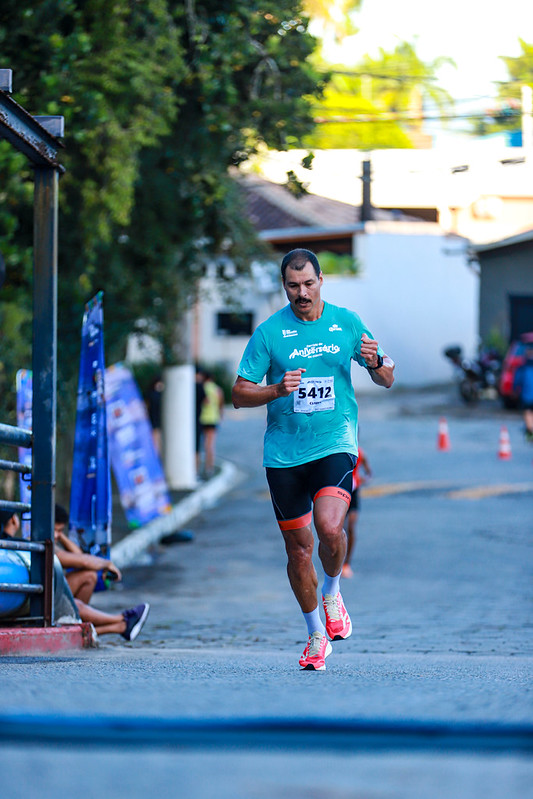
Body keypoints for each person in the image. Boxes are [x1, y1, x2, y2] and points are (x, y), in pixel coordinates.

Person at [232, 248, 394, 671]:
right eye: (292, 286)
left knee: (329, 526)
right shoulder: (269, 333)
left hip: (335, 440)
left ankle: (333, 590)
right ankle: (316, 637)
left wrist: (377, 361)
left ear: (321, 279)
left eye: (308, 283)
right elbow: (238, 392)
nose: (301, 293)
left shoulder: (347, 322)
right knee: (299, 551)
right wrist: (274, 391)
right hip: (283, 452)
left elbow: (385, 375)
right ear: (283, 286)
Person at [54, 504, 122, 603]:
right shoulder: (44, 543)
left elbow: (79, 555)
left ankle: (77, 615)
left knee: (89, 575)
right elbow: (83, 561)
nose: (56, 535)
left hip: (52, 592)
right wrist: (107, 564)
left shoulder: (54, 540)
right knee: (89, 576)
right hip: (47, 598)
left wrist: (60, 536)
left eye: (59, 530)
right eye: (54, 530)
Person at [342, 444, 372, 579]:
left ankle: (347, 563)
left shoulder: (360, 453)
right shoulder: (341, 449)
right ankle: (337, 561)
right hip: (341, 491)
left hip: (354, 491)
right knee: (339, 529)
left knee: (351, 527)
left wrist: (364, 479)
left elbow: (369, 472)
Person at [199, 370, 224, 478]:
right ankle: (209, 467)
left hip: (202, 418)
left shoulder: (202, 387)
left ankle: (201, 466)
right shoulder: (217, 389)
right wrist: (220, 417)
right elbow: (220, 405)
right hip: (213, 418)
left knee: (202, 444)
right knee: (210, 445)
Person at [514, 342, 533, 442]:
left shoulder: (523, 367)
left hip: (527, 395)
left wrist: (515, 390)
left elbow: (517, 380)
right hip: (528, 393)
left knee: (528, 412)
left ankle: (530, 432)